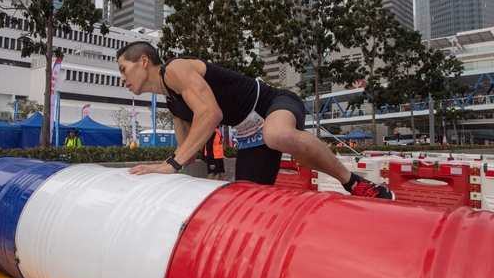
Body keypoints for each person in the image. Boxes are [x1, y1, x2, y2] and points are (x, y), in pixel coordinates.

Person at [117, 41, 394, 199]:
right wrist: (159, 168)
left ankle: (353, 182)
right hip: (250, 134)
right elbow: (186, 155)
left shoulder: (175, 69)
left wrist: (171, 164)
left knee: (278, 134)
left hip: (273, 103)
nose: (122, 79)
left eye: (123, 69)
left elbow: (211, 114)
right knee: (245, 200)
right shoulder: (173, 104)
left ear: (144, 61)